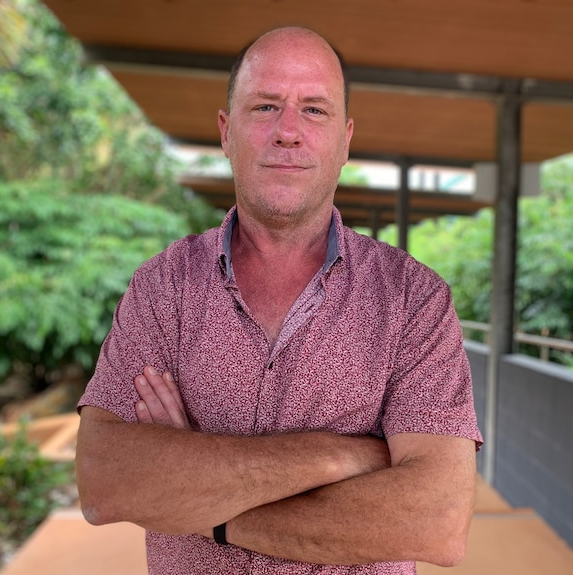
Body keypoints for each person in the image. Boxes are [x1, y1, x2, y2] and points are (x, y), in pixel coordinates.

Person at [76, 26, 483, 574]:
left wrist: (202, 504)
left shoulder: (413, 300)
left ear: (345, 140)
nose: (288, 132)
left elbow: (436, 520)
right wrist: (344, 455)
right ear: (226, 132)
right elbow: (105, 480)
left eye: (314, 110)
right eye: (265, 106)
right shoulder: (162, 287)